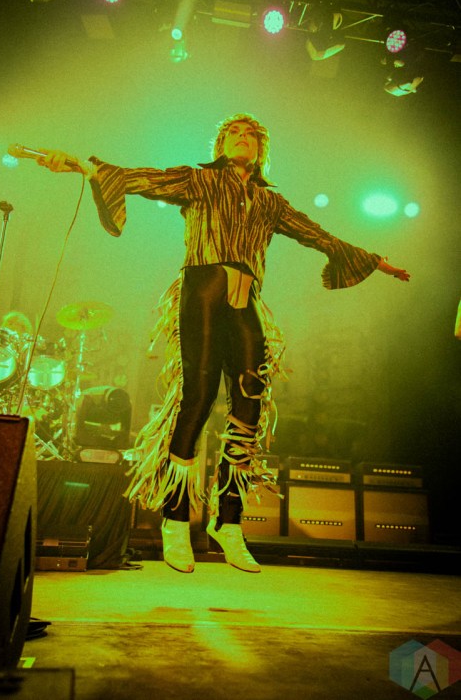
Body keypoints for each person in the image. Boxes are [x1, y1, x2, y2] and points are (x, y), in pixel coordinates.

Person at [35, 113, 410, 574]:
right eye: (234, 133)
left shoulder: (271, 202)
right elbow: (141, 178)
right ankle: (175, 518)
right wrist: (80, 165)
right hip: (204, 289)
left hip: (246, 297)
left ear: (260, 149)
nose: (242, 138)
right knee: (198, 396)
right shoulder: (199, 180)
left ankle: (228, 522)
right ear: (221, 144)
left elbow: (318, 235)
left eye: (250, 135)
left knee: (250, 401)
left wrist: (375, 261)